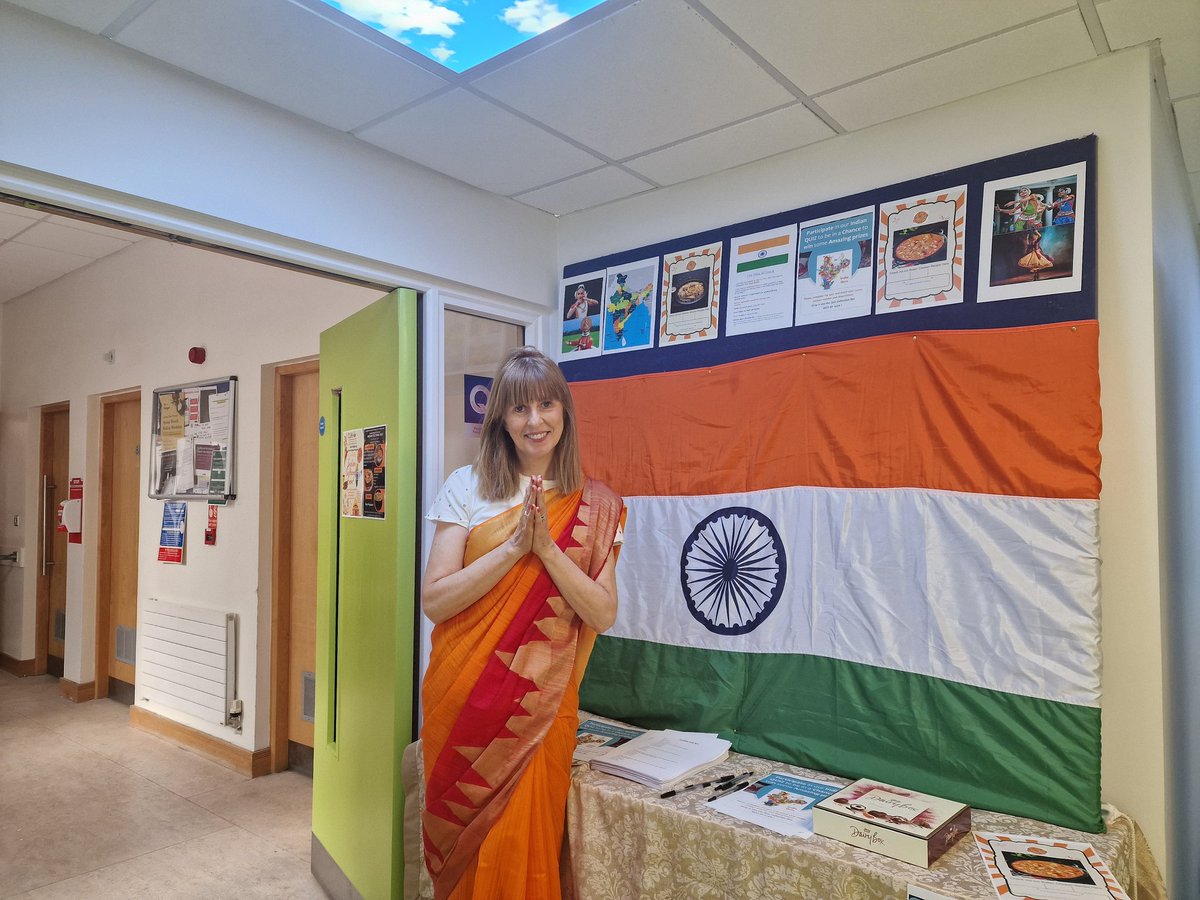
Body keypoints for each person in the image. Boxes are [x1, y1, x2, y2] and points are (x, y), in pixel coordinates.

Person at [420, 346, 625, 899]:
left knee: (525, 847)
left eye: (546, 405)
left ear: (564, 412)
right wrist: (514, 549)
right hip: (465, 700)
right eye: (518, 409)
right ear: (501, 421)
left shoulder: (597, 503)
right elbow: (435, 600)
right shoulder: (467, 487)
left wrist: (549, 553)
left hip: (541, 710)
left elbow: (602, 614)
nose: (534, 421)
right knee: (469, 853)